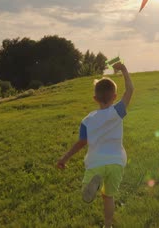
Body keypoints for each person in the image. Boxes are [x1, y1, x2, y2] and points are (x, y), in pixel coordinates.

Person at [57, 62, 134, 228]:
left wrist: (65, 158)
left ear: (95, 99)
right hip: (116, 162)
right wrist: (124, 70)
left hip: (96, 161)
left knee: (89, 186)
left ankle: (90, 185)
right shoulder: (118, 111)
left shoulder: (87, 120)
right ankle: (108, 225)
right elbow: (130, 90)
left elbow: (81, 143)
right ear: (114, 96)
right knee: (108, 196)